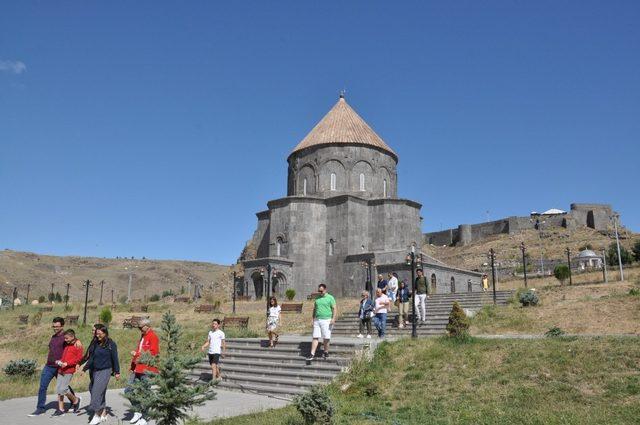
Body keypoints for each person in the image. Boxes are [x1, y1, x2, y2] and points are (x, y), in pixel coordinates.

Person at [29, 317, 68, 416]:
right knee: (42, 387)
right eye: (53, 326)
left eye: (57, 326)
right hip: (49, 366)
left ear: (62, 326)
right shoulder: (53, 337)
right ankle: (40, 408)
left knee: (64, 388)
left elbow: (74, 344)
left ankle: (75, 401)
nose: (55, 328)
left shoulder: (65, 337)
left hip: (60, 367)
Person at [85, 324, 120, 425]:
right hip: (95, 370)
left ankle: (96, 415)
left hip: (105, 370)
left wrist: (117, 372)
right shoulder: (95, 343)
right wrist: (84, 368)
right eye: (97, 334)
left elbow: (115, 358)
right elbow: (91, 358)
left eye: (100, 334)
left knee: (96, 391)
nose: (98, 336)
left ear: (105, 333)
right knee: (93, 389)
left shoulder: (110, 344)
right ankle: (103, 412)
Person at [127, 318, 159, 425]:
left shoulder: (153, 337)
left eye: (140, 327)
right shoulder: (143, 336)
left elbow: (153, 353)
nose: (139, 329)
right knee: (128, 391)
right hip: (137, 368)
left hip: (147, 369)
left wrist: (136, 354)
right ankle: (137, 411)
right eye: (138, 328)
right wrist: (132, 365)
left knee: (146, 393)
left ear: (147, 326)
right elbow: (139, 350)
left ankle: (145, 417)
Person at [53, 329, 83, 416]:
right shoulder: (67, 344)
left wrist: (67, 363)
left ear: (72, 337)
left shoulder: (78, 345)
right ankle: (61, 409)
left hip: (69, 370)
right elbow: (65, 356)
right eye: (64, 338)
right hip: (61, 369)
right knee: (59, 389)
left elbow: (78, 359)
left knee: (63, 389)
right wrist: (60, 361)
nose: (65, 340)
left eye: (67, 338)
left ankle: (76, 400)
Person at [306, 283, 336, 361]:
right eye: (319, 290)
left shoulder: (330, 298)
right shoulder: (317, 298)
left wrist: (333, 318)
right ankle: (312, 354)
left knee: (326, 337)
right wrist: (312, 318)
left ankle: (326, 351)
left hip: (327, 320)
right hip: (317, 320)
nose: (320, 292)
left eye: (321, 291)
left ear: (325, 290)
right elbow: (314, 309)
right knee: (315, 337)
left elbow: (334, 308)